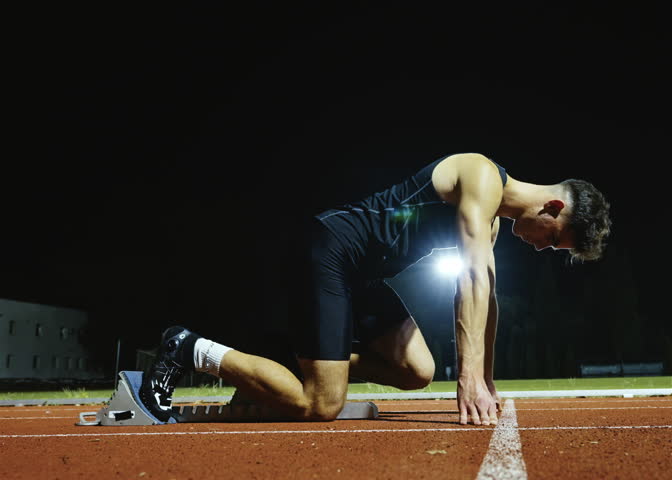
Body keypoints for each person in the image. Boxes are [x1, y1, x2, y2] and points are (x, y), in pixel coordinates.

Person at [140, 152, 611, 426]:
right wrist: (466, 380)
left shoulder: (488, 224)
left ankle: (301, 360)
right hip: (331, 249)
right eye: (552, 239)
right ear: (552, 207)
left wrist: (484, 377)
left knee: (418, 371)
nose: (541, 248)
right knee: (321, 404)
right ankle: (186, 347)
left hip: (362, 277)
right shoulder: (482, 176)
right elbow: (469, 280)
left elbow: (482, 296)